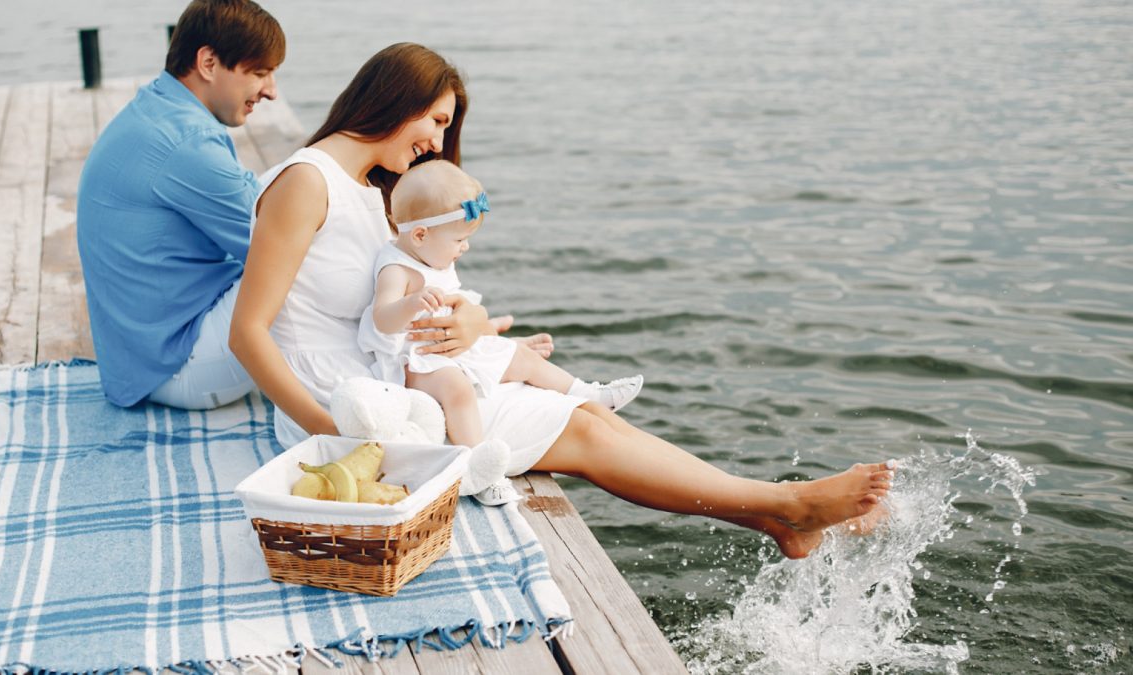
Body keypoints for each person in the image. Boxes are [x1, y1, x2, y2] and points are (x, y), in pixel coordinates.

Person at [228, 42, 893, 559]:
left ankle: (777, 512)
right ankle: (784, 506)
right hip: (350, 406)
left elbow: (398, 286)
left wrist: (470, 322)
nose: (436, 141)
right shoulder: (306, 182)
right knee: (582, 428)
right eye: (434, 120)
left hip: (389, 378)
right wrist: (328, 434)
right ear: (393, 97)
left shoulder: (371, 187)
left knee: (586, 414)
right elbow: (249, 332)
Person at [358, 159, 644, 505]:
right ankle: (477, 466)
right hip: (416, 359)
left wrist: (488, 332)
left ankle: (589, 393)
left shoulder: (432, 253)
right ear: (420, 235)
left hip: (447, 345)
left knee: (519, 357)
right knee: (458, 389)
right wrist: (412, 302)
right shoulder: (396, 268)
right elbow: (382, 320)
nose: (465, 247)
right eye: (460, 239)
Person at [76, 0, 283, 409]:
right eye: (259, 73)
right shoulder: (187, 143)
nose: (272, 90)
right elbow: (282, 249)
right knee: (303, 270)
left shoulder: (159, 108)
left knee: (280, 198)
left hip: (139, 359)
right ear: (208, 62)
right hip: (178, 365)